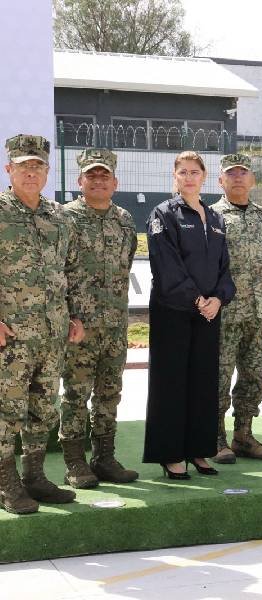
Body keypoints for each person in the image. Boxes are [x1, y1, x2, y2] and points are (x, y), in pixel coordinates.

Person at [0, 134, 84, 514]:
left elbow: (70, 270)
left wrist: (74, 315)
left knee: (43, 409)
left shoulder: (59, 217)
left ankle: (34, 476)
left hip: (51, 334)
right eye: (23, 166)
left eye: (37, 166)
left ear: (47, 172)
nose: (30, 172)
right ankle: (6, 484)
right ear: (9, 169)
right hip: (11, 336)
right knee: (7, 411)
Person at [143, 151, 235, 479]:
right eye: (182, 172)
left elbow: (225, 268)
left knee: (203, 382)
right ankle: (170, 455)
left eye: (194, 171)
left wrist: (219, 299)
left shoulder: (216, 218)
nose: (189, 177)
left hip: (209, 313)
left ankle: (199, 450)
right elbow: (166, 265)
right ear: (175, 176)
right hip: (174, 310)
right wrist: (197, 299)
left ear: (204, 176)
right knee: (171, 383)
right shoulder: (163, 213)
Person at [59, 148, 139, 489]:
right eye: (91, 175)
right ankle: (75, 462)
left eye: (104, 175)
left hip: (115, 325)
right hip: (79, 326)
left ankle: (105, 458)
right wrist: (68, 316)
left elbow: (126, 264)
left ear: (115, 182)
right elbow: (56, 270)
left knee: (110, 392)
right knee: (76, 393)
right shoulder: (65, 218)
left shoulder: (124, 219)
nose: (98, 180)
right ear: (80, 181)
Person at [210, 154, 262, 464]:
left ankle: (243, 434)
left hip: (258, 312)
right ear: (221, 181)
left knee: (256, 376)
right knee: (219, 378)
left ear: (253, 180)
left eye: (243, 172)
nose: (238, 177)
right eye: (231, 173)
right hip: (225, 313)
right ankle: (215, 438)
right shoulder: (211, 216)